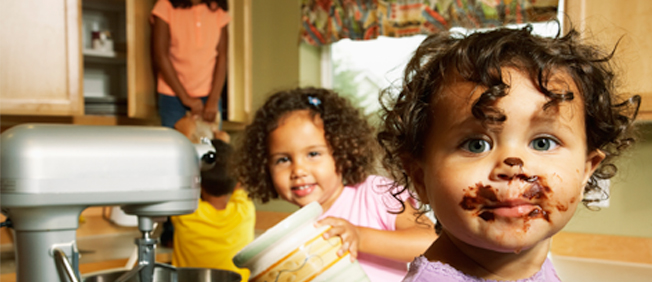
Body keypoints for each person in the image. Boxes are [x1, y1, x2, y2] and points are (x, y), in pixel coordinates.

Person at [377, 25, 640, 281]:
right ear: (421, 178)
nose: (514, 166)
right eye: (476, 144)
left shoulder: (531, 265)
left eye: (543, 143)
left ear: (585, 171)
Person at [232, 87, 437, 281]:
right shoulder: (298, 233)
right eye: (283, 160)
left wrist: (359, 236)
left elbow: (430, 243)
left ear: (342, 152)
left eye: (313, 154)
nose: (298, 171)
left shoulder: (373, 193)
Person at [171, 138, 255, 282]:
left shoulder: (187, 213)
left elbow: (179, 167)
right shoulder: (245, 211)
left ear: (197, 182)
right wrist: (226, 147)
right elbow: (243, 177)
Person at [151, 0, 229, 128]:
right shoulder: (165, 6)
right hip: (173, 96)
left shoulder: (218, 11)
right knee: (177, 145)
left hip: (209, 98)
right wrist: (185, 98)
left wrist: (213, 100)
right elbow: (161, 55)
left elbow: (222, 58)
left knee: (206, 145)